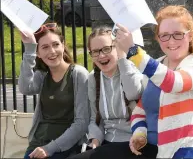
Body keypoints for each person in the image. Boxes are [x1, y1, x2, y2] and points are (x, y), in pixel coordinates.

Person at [115, 5, 193, 159]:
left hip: (182, 151)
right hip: (150, 149)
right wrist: (139, 134)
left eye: (178, 34)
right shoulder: (156, 65)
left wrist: (133, 51)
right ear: (158, 38)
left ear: (190, 36)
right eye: (165, 35)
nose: (171, 41)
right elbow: (141, 109)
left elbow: (173, 83)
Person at [70, 26, 157, 159]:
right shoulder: (93, 78)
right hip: (108, 143)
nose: (101, 55)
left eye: (106, 49)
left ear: (117, 47)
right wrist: (95, 140)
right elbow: (95, 119)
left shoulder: (132, 69)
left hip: (136, 143)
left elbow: (133, 93)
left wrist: (122, 58)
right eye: (95, 52)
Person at [19, 23, 89, 159]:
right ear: (38, 53)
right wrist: (29, 50)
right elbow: (25, 88)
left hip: (66, 147)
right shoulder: (42, 75)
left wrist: (49, 148)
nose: (52, 51)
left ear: (63, 45)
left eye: (56, 44)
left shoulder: (78, 74)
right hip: (37, 144)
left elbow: (82, 123)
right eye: (45, 47)